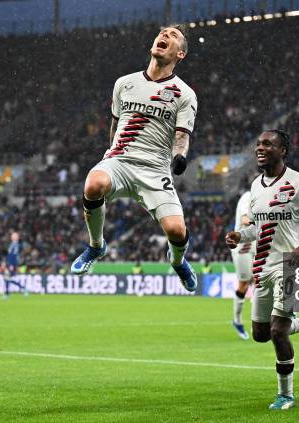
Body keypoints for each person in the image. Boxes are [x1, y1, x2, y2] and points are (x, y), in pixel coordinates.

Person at [71, 26, 198, 291]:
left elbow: (182, 136)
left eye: (173, 36)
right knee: (93, 184)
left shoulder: (184, 94)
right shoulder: (124, 83)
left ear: (181, 54)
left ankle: (177, 260)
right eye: (162, 32)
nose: (164, 35)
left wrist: (180, 156)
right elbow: (115, 126)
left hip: (155, 170)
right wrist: (110, 160)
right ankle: (96, 246)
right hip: (120, 160)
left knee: (176, 231)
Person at [225, 130, 299, 410]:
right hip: (261, 267)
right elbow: (257, 230)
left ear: (283, 150)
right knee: (260, 333)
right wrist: (241, 235)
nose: (260, 148)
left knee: (277, 331)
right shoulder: (256, 186)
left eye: (268, 144)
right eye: (259, 144)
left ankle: (286, 394)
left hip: (290, 266)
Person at [231, 190, 255, 340]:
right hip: (243, 245)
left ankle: (257, 322)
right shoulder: (248, 197)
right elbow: (246, 220)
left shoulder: (265, 196)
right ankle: (237, 320)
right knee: (244, 284)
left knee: (260, 282)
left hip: (256, 243)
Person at [2, 231, 27, 299]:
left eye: (14, 235)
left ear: (17, 237)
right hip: (9, 263)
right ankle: (22, 289)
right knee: (7, 278)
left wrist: (12, 265)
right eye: (12, 235)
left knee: (7, 278)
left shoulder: (16, 245)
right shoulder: (12, 244)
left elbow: (14, 256)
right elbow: (9, 255)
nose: (12, 236)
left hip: (12, 264)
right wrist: (5, 262)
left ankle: (22, 289)